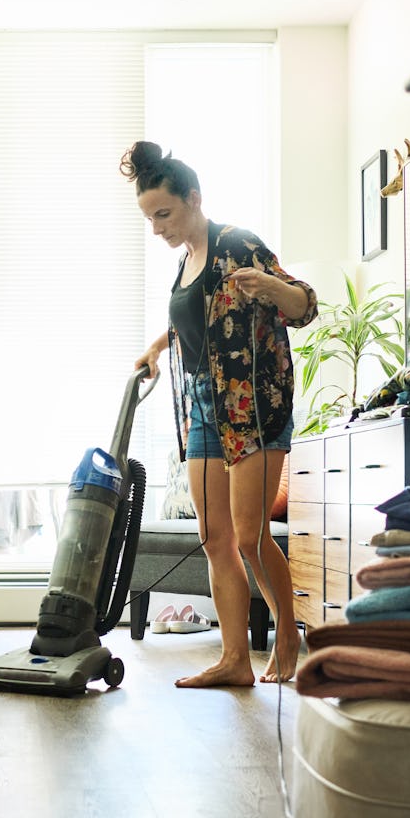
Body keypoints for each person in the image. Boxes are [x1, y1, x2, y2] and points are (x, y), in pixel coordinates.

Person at [122, 140, 318, 687]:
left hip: (255, 407)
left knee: (251, 536)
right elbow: (198, 316)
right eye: (149, 218)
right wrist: (159, 347)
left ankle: (286, 633)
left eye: (164, 213)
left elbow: (305, 304)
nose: (157, 227)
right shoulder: (187, 260)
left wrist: (273, 286)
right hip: (206, 408)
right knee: (214, 537)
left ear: (194, 198)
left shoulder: (237, 243)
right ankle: (235, 660)